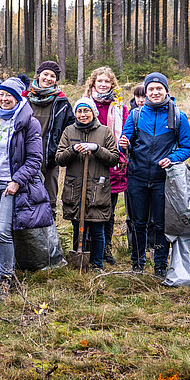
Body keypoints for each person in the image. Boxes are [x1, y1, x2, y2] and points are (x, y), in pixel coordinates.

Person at [0, 78, 53, 297]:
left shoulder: (29, 123)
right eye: (1, 95)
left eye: (9, 95)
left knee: (2, 230)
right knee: (3, 229)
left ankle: (6, 277)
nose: (4, 99)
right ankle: (10, 269)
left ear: (18, 98)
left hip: (11, 185)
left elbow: (35, 159)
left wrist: (17, 181)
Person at [118, 72, 190, 278]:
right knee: (138, 222)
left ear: (166, 91)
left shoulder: (178, 116)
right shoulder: (135, 115)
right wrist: (122, 144)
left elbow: (188, 147)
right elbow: (124, 142)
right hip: (137, 177)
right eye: (151, 89)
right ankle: (137, 263)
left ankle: (160, 265)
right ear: (146, 92)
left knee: (161, 224)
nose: (155, 92)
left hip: (164, 179)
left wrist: (173, 158)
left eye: (159, 88)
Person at [56, 98, 119, 270]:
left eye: (86, 111)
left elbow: (114, 158)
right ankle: (79, 260)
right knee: (78, 226)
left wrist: (97, 149)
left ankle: (97, 263)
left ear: (93, 113)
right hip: (74, 189)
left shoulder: (105, 132)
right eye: (79, 111)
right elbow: (59, 159)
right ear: (75, 113)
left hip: (97, 189)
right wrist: (73, 149)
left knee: (98, 228)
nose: (83, 115)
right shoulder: (69, 131)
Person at [84, 67, 129, 265]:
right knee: (87, 207)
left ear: (113, 84)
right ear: (93, 84)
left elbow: (126, 133)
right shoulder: (84, 105)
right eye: (99, 81)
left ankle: (106, 249)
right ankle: (86, 248)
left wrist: (125, 146)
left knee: (107, 210)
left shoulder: (120, 108)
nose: (103, 85)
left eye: (107, 82)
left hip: (112, 165)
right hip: (89, 164)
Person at [24, 60, 75, 215]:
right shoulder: (24, 98)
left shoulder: (62, 102)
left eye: (52, 76)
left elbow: (70, 127)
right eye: (45, 74)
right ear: (38, 75)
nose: (48, 78)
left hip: (51, 158)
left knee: (50, 200)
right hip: (26, 158)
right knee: (27, 198)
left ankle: (49, 235)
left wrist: (61, 150)